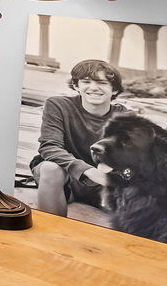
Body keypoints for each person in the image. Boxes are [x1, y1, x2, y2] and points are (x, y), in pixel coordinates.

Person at [33, 59, 125, 215]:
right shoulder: (58, 105)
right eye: (86, 82)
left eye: (102, 83)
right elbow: (49, 146)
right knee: (50, 168)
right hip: (65, 174)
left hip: (102, 180)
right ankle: (51, 230)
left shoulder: (125, 117)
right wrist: (86, 170)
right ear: (76, 86)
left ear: (114, 90)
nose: (93, 88)